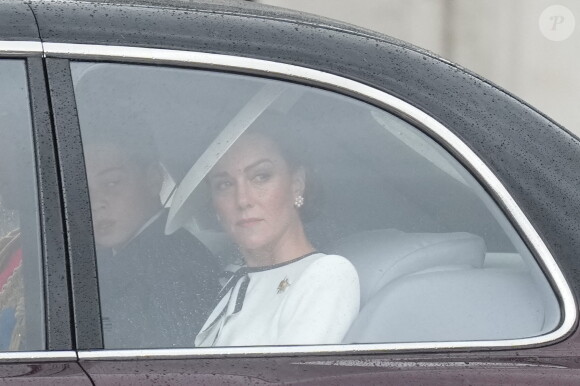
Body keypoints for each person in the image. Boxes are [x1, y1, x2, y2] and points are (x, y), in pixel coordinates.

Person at [195, 123, 360, 347]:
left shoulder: (325, 274)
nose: (243, 200)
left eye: (261, 177)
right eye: (224, 184)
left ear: (297, 184)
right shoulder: (235, 279)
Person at [85, 132, 220, 349]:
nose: (95, 203)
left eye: (111, 183)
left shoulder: (176, 271)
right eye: (83, 189)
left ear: (153, 179)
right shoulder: (113, 256)